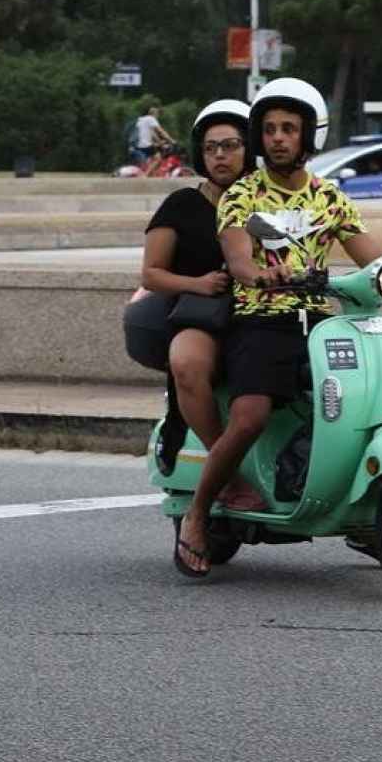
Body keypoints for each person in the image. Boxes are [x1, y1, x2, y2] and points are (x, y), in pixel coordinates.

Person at [173, 77, 382, 578]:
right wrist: (261, 273)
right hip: (259, 321)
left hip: (319, 324)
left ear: (307, 138)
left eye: (290, 129)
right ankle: (198, 513)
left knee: (365, 399)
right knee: (252, 414)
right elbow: (238, 259)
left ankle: (358, 500)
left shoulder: (330, 198)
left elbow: (370, 257)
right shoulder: (242, 196)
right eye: (271, 129)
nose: (279, 138)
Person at [132, 100, 256, 497]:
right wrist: (197, 284)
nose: (220, 155)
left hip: (264, 314)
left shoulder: (269, 200)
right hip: (204, 315)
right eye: (210, 147)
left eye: (231, 145)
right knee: (186, 363)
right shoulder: (182, 205)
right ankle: (228, 477)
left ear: (249, 147)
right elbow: (151, 275)